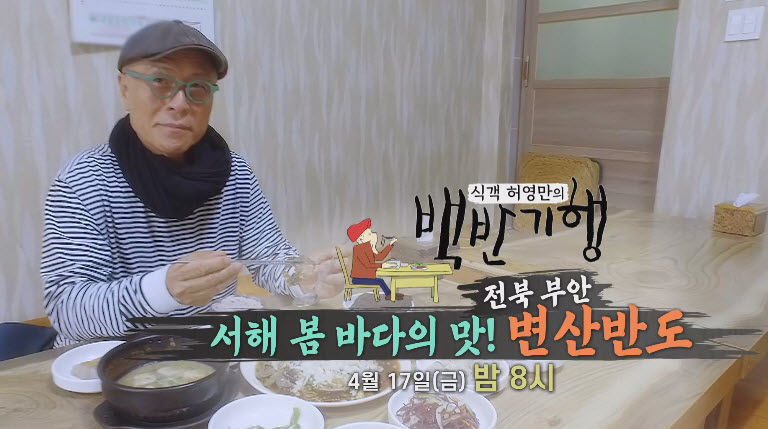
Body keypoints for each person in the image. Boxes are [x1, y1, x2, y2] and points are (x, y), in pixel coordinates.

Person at [41, 21, 343, 347]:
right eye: (161, 81)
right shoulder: (84, 180)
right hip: (115, 361)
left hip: (210, 350)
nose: (180, 102)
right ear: (125, 88)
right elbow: (67, 309)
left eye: (198, 87)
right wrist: (164, 289)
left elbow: (269, 255)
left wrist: (305, 277)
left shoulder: (235, 173)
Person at [347, 218, 404, 301]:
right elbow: (368, 264)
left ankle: (390, 294)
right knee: (380, 281)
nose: (374, 234)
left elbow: (380, 257)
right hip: (358, 278)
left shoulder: (367, 248)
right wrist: (382, 265)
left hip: (365, 276)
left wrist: (390, 245)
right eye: (369, 234)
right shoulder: (358, 249)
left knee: (380, 281)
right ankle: (389, 295)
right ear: (360, 239)